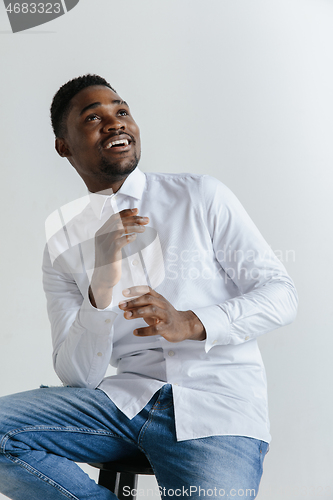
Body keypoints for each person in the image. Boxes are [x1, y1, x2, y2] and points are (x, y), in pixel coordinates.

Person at [0, 74, 298, 500]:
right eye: (94, 117)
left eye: (121, 111)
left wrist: (191, 322)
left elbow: (281, 293)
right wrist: (101, 283)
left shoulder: (200, 196)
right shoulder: (63, 245)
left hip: (216, 405)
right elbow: (78, 375)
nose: (116, 123)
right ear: (63, 145)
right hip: (122, 404)